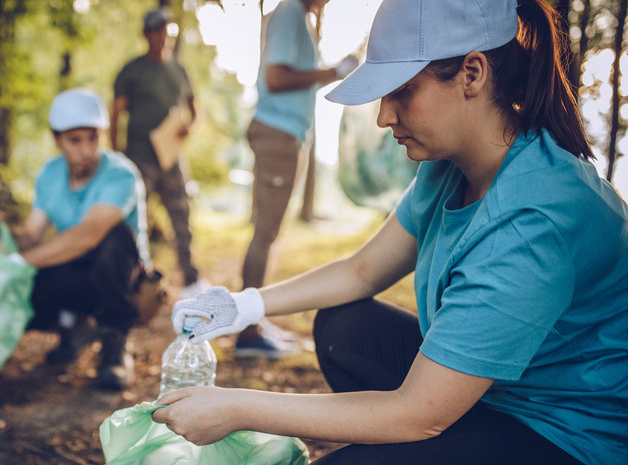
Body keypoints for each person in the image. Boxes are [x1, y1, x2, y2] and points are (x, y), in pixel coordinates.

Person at [153, 1, 628, 464]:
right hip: (496, 394)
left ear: (472, 74)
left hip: (566, 433)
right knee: (344, 326)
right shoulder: (446, 167)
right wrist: (242, 306)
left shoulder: (534, 217)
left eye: (402, 90)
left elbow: (417, 414)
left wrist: (237, 408)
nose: (384, 116)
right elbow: (361, 271)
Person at [0, 88, 150, 390]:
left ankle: (114, 346)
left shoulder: (121, 174)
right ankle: (72, 327)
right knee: (34, 279)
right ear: (56, 138)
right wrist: (2, 231)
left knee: (113, 237)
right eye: (75, 140)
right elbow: (31, 234)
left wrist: (17, 263)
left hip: (125, 280)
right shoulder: (50, 173)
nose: (87, 150)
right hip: (79, 273)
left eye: (93, 138)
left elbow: (89, 235)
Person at [235, 0, 357, 358]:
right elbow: (276, 78)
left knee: (269, 233)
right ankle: (247, 332)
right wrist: (332, 72)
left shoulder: (299, 16)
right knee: (264, 234)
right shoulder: (290, 11)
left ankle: (254, 321)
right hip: (278, 131)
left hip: (286, 133)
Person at [110, 8, 209, 300]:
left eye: (166, 30)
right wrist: (116, 156)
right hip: (139, 157)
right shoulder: (132, 70)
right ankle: (130, 279)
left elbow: (195, 110)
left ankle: (190, 279)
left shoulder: (178, 70)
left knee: (182, 216)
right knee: (133, 220)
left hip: (171, 158)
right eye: (156, 30)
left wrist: (189, 126)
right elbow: (115, 114)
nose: (162, 36)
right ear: (146, 34)